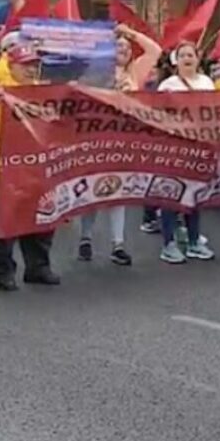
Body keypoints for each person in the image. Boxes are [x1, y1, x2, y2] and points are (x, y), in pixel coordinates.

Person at [77, 24, 162, 266]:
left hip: (123, 141)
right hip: (95, 139)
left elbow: (155, 50)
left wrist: (131, 33)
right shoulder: (94, 73)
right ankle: (85, 238)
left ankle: (118, 244)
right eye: (117, 45)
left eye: (126, 47)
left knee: (118, 191)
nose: (122, 49)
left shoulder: (135, 72)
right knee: (91, 190)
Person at [0, 38, 59, 291]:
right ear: (12, 66)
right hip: (8, 170)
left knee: (42, 217)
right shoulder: (2, 93)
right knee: (6, 221)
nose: (31, 70)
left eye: (34, 65)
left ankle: (38, 266)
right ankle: (3, 270)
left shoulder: (43, 93)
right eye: (25, 65)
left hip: (40, 168)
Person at [157, 41, 216, 264]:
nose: (187, 58)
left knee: (195, 195)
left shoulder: (207, 82)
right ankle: (169, 244)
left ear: (198, 59)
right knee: (172, 195)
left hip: (200, 146)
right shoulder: (167, 86)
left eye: (191, 55)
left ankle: (193, 242)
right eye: (182, 55)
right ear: (176, 61)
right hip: (174, 146)